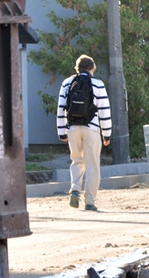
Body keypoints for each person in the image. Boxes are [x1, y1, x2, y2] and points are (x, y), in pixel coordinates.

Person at [57, 54, 112, 211]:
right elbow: (104, 111)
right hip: (92, 129)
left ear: (77, 68)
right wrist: (106, 134)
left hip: (72, 129)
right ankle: (89, 201)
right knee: (92, 165)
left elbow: (61, 108)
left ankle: (75, 189)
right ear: (92, 68)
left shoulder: (67, 83)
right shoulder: (98, 84)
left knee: (76, 161)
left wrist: (62, 131)